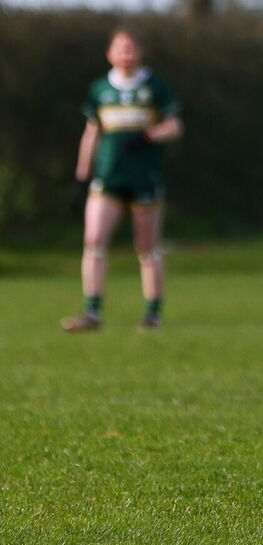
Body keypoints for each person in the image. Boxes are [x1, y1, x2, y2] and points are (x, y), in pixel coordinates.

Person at [62, 28, 183, 333]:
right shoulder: (100, 88)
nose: (126, 54)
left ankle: (152, 315)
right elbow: (91, 134)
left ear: (139, 52)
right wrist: (81, 177)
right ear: (110, 54)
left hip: (144, 178)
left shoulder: (154, 86)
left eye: (131, 48)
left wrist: (149, 135)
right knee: (94, 241)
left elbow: (175, 126)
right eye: (120, 49)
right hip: (108, 178)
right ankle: (92, 313)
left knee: (147, 247)